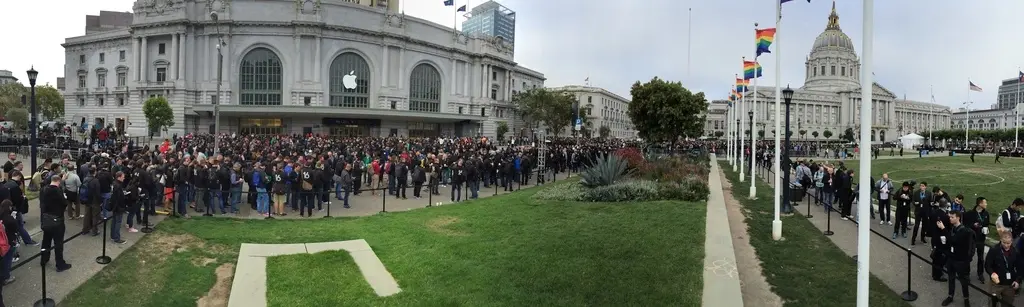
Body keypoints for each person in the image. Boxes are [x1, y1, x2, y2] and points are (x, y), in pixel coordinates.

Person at [939, 210, 975, 306]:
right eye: (949, 217)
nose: (950, 219)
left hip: (960, 260)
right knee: (951, 278)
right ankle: (950, 296)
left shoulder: (963, 231)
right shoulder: (953, 228)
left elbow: (953, 240)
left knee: (963, 281)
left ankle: (966, 299)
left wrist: (943, 229)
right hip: (951, 258)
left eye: (952, 217)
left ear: (958, 218)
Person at [39, 175, 72, 272]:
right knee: (58, 243)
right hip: (57, 220)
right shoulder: (57, 191)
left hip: (46, 219)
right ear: (58, 181)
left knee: (46, 240)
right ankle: (60, 264)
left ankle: (43, 259)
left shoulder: (44, 189)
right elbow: (64, 203)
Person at [984, 233, 1020, 307]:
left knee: (1008, 304)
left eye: (1008, 243)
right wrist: (992, 273)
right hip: (995, 284)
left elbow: (1020, 268)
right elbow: (987, 265)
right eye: (1004, 242)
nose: (1006, 245)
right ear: (1000, 240)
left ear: (1012, 241)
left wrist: (1017, 280)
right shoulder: (994, 250)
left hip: (1009, 284)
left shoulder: (1015, 251)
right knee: (992, 304)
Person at [963, 196, 991, 283]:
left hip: (981, 238)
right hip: (971, 239)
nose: (986, 204)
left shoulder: (986, 214)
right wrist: (973, 225)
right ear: (980, 204)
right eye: (985, 202)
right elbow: (965, 225)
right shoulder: (970, 214)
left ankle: (980, 274)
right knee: (968, 256)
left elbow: (986, 224)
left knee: (981, 258)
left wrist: (986, 229)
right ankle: (966, 274)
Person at [109, 171, 128, 244]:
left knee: (114, 221)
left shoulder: (114, 184)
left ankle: (113, 236)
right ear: (119, 177)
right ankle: (117, 238)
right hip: (118, 207)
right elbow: (120, 198)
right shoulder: (118, 186)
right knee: (118, 222)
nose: (124, 178)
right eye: (123, 177)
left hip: (114, 206)